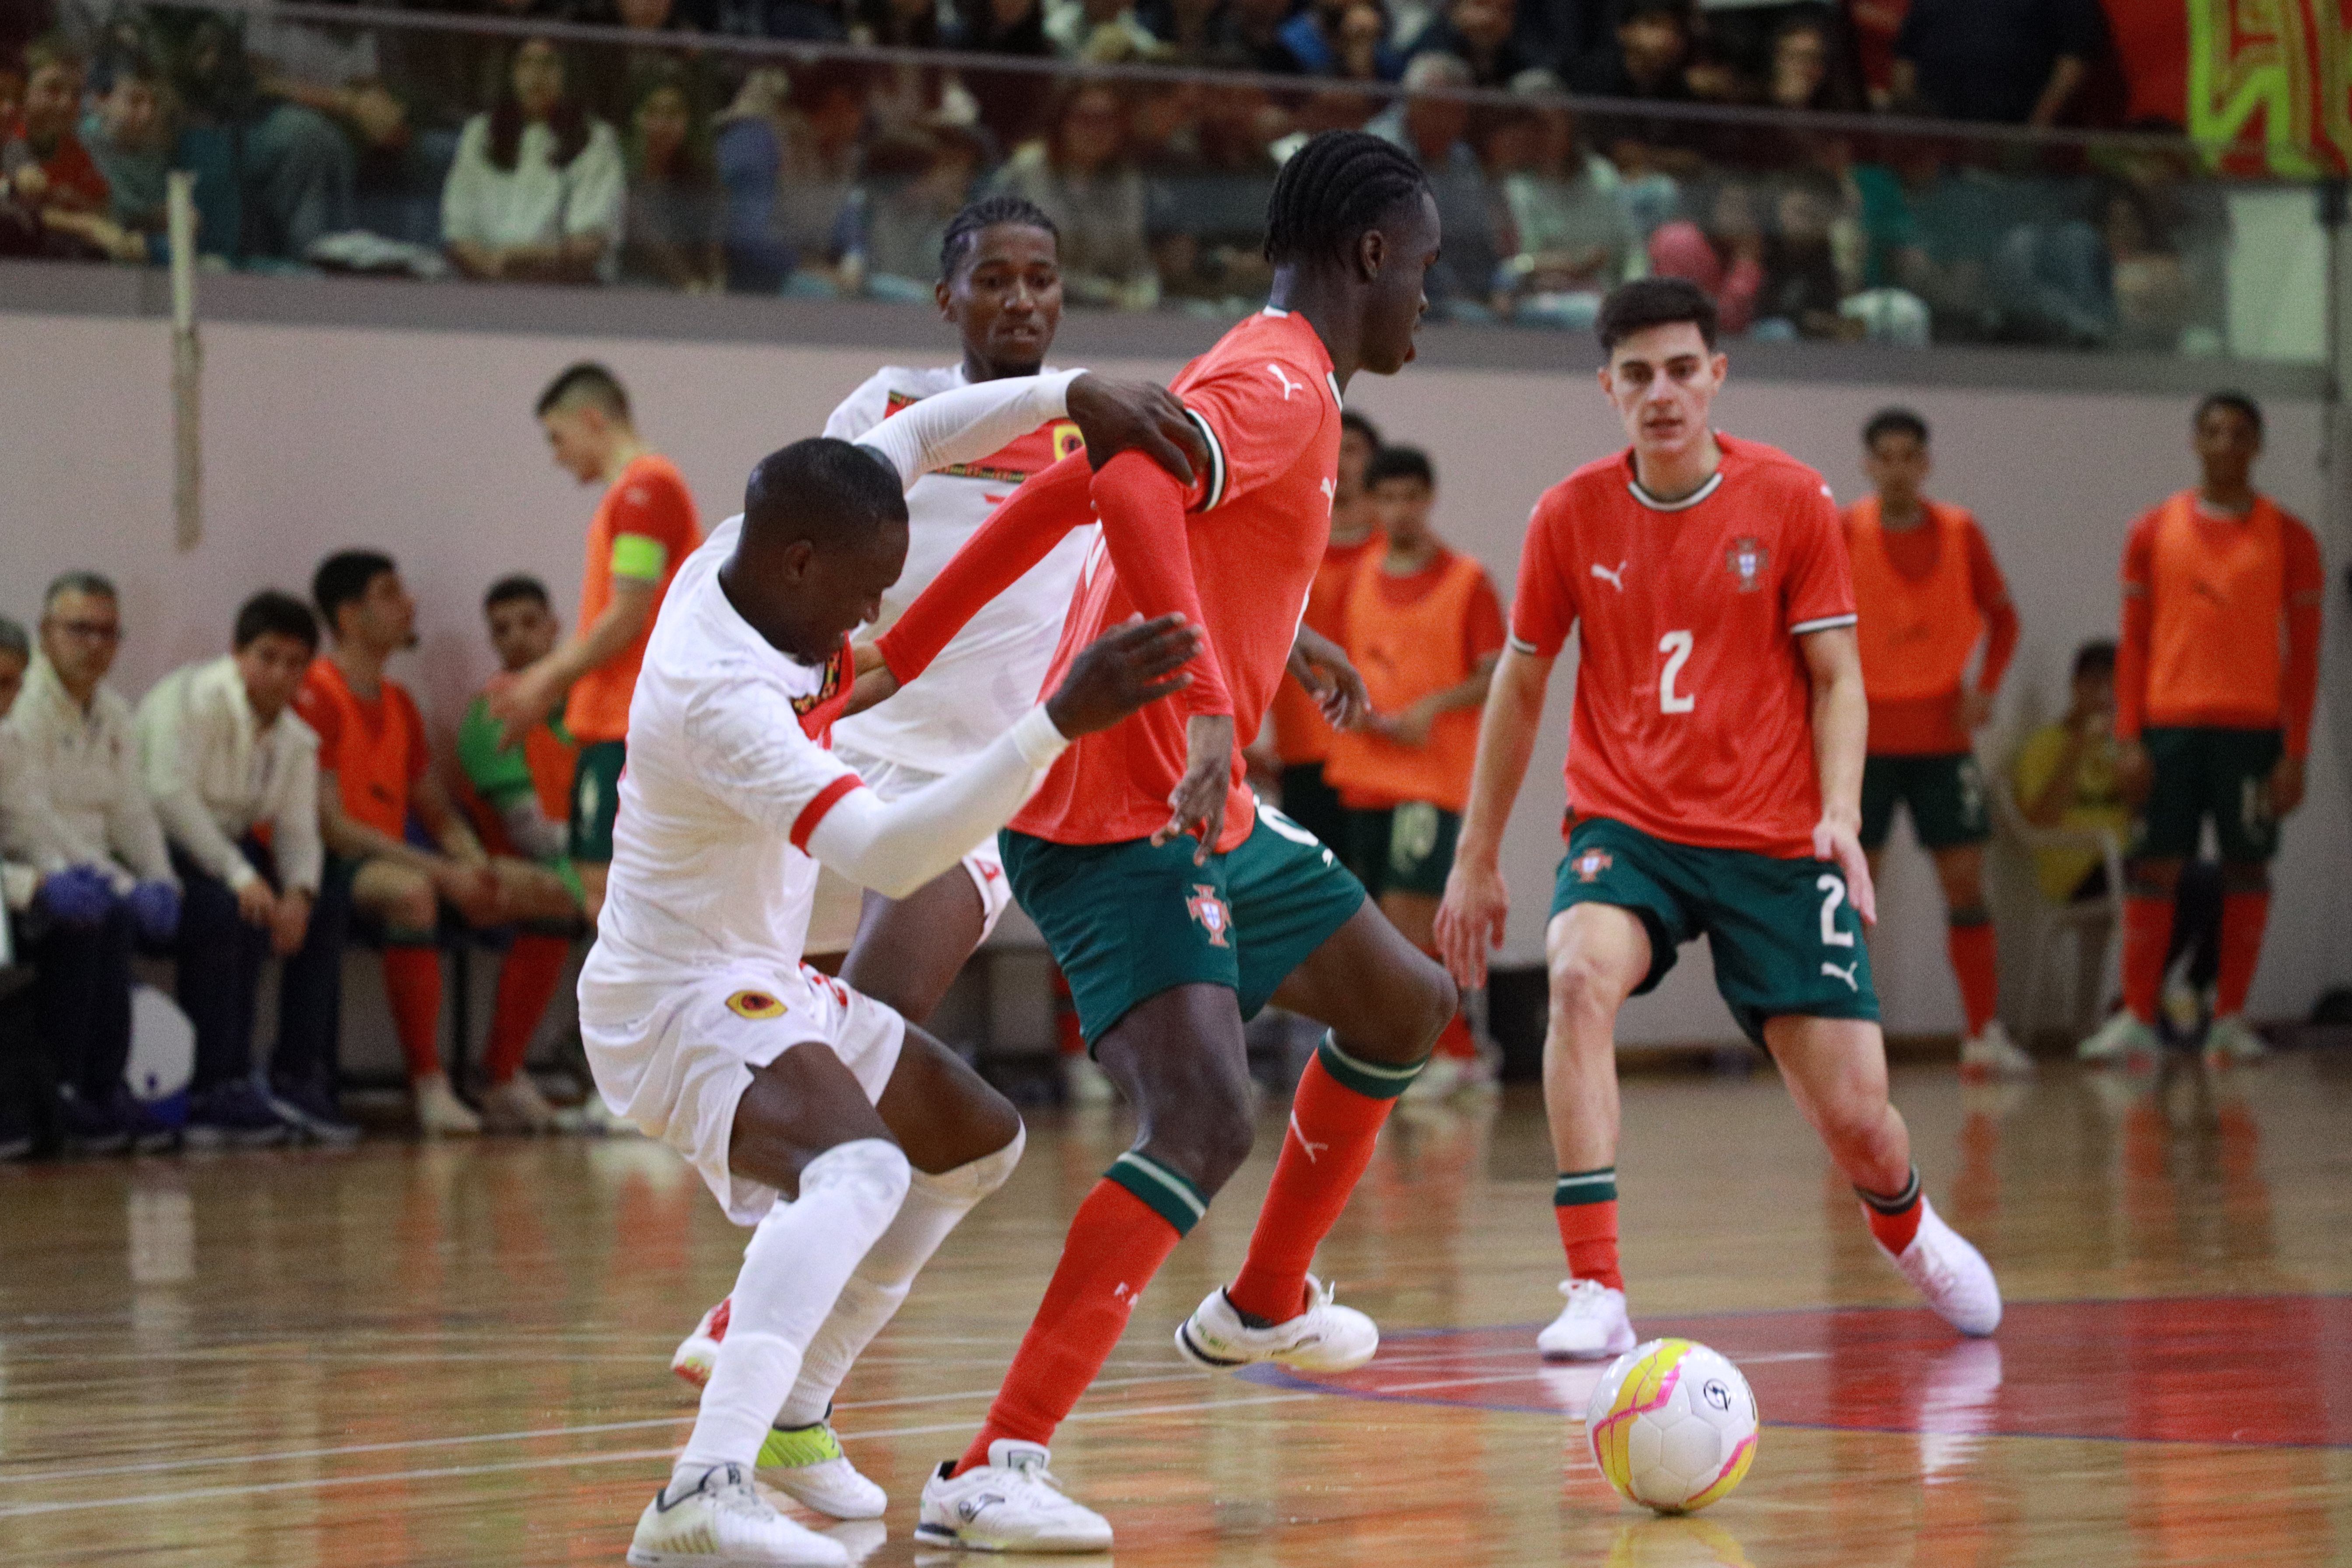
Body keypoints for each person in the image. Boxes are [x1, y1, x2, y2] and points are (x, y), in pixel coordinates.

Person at [868, 129, 1457, 1551]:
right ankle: (989, 1465)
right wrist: (1204, 703)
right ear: (1368, 257)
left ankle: (1263, 1304)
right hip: (1121, 804)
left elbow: (1084, 480)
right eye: (1426, 270)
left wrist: (908, 645)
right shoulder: (1275, 379)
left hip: (1198, 795)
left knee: (1404, 1001)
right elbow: (1125, 482)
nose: (1431, 300)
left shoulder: (1279, 371)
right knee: (1199, 1117)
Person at [595, 373, 1209, 1566]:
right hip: (673, 999)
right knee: (860, 1171)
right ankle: (699, 1492)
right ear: (799, 565)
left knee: (974, 1141)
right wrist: (1053, 726)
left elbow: (921, 434)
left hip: (748, 970)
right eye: (866, 595)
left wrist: (1078, 394)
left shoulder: (748, 548)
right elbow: (891, 852)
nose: (876, 624)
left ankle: (793, 1417)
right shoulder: (721, 696)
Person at [1435, 278, 2002, 1370]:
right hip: (1628, 828)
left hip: (1776, 841)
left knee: (1858, 1121)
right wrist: (1477, 856)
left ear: (1717, 378)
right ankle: (1596, 1285)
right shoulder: (1568, 515)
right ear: (1606, 388)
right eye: (1638, 375)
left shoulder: (1791, 501)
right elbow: (1517, 689)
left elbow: (1840, 678)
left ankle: (1908, 1225)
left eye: (1683, 370)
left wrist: (1840, 813)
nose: (1663, 393)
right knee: (1574, 976)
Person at [2079, 393, 2324, 1070]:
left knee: (2247, 866)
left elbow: (2304, 655)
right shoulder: (2153, 531)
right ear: (2196, 443)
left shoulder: (2292, 538)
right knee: (2156, 865)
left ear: (2258, 446)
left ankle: (2230, 1020)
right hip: (2169, 729)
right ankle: (2135, 1017)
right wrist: (2128, 738)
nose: (2226, 444)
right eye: (2213, 432)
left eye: (2240, 433)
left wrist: (2295, 753)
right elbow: (2133, 643)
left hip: (2252, 733)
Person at [298, 551, 571, 1136]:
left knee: (550, 894)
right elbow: (335, 827)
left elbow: (439, 812)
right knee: (415, 894)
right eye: (392, 593)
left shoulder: (399, 703)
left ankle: (501, 1076)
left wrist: (477, 866)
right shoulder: (317, 693)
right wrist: (447, 873)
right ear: (349, 617)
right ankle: (428, 1083)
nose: (411, 603)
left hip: (404, 855)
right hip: (332, 863)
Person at [1842, 409, 2027, 1079]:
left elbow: (2004, 620)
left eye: (1907, 456)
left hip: (1943, 739)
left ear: (1926, 464)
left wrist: (1987, 687)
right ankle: (1847, 1044)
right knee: (1854, 894)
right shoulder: (1843, 530)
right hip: (1863, 742)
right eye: (1883, 456)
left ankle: (1982, 1035)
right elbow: (1807, 628)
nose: (1895, 469)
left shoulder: (1960, 531)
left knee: (1965, 882)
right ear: (1868, 465)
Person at [490, 363, 701, 926]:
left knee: (608, 893)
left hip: (629, 725)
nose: (557, 456)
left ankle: (639, 1017)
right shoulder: (637, 492)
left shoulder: (644, 490)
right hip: (621, 722)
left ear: (592, 419)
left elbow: (628, 614)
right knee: (610, 894)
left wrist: (545, 678)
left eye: (557, 438)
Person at [1323, 444, 1504, 1098]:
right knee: (1377, 923)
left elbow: (1496, 676)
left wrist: (1431, 709)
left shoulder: (1467, 580)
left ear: (1429, 499)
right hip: (1365, 772)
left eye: (1411, 497)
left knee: (1409, 916)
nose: (1400, 511)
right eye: (1387, 498)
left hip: (1432, 780)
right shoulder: (1359, 576)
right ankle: (1434, 1050)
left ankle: (1454, 1053)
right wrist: (1361, 714)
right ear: (1370, 504)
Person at [135, 591, 326, 1147]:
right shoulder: (187, 699)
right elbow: (168, 797)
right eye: (267, 656)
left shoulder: (295, 738)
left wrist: (301, 894)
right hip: (159, 851)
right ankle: (209, 1084)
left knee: (323, 909)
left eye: (295, 663)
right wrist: (239, 874)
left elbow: (296, 830)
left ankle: (293, 1076)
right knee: (226, 912)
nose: (280, 673)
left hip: (229, 853)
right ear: (237, 653)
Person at [6, 573, 182, 1152]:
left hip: (74, 867)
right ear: (46, 635)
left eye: (108, 633)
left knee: (116, 917)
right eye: (78, 629)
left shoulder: (111, 711)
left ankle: (100, 1091)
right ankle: (55, 1091)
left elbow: (128, 813)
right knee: (88, 921)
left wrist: (160, 882)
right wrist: (71, 885)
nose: (94, 644)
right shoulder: (26, 712)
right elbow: (35, 825)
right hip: (35, 872)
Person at [457, 575, 591, 1133]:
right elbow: (531, 832)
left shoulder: (590, 704)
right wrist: (605, 877)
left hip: (588, 860)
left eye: (528, 623)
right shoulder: (493, 713)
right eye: (501, 630)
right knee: (587, 905)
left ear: (555, 626)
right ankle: (506, 1072)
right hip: (511, 866)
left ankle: (596, 1055)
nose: (515, 638)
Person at [1260, 408, 1383, 858]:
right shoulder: (1284, 553)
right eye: (1332, 449)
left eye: (1353, 450)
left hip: (1381, 753)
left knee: (1387, 906)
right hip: (1302, 756)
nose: (1343, 462)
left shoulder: (1400, 558)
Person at [441, 37, 626, 284]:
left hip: (565, 291)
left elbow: (589, 246)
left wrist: (518, 260)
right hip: (486, 286)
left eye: (548, 64)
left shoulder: (597, 138)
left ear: (567, 74)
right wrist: (494, 270)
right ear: (511, 73)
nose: (536, 75)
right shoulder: (479, 133)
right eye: (526, 64)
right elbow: (459, 236)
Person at [989, 81, 1157, 310]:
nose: (1095, 131)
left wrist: (1146, 294)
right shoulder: (1025, 173)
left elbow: (1134, 261)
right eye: (1084, 119)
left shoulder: (1124, 180)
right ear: (1061, 121)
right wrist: (1101, 292)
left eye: (1106, 120)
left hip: (1105, 316)